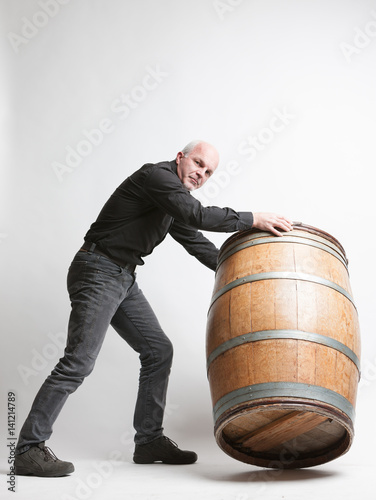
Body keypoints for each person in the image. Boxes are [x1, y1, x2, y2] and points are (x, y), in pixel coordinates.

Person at [14, 140, 293, 476]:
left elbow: (194, 240)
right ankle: (29, 449)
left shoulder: (171, 200)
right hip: (97, 269)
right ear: (180, 157)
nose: (201, 174)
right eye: (198, 164)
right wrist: (251, 219)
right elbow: (198, 215)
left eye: (208, 172)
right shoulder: (157, 178)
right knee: (78, 362)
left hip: (122, 277)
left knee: (159, 351)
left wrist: (242, 269)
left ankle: (148, 441)